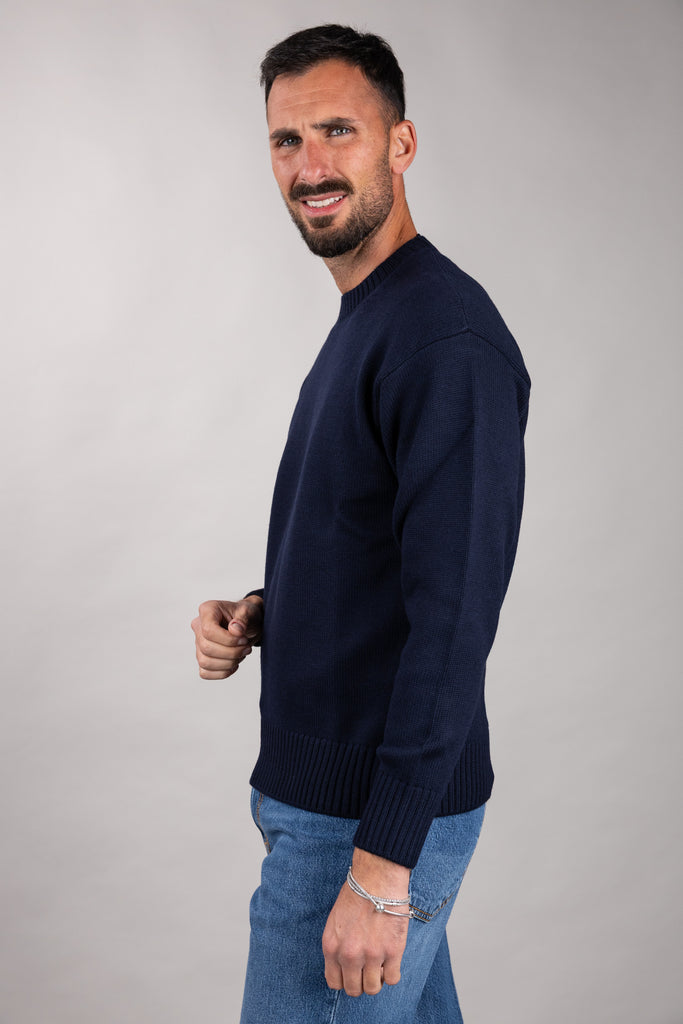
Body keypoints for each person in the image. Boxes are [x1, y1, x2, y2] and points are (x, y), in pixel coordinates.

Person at [191, 24, 531, 1024]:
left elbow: (453, 618)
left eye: (337, 130)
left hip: (362, 824)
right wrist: (265, 611)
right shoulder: (375, 318)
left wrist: (382, 866)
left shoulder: (443, 339)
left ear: (400, 144)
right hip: (340, 806)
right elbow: (379, 553)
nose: (310, 165)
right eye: (286, 140)